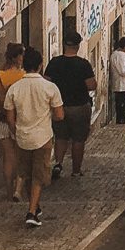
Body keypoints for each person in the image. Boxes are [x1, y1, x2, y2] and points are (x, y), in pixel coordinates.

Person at [4, 46, 64, 228]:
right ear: (40, 65)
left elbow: (9, 118)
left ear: (24, 66)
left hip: (22, 138)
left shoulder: (14, 88)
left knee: (27, 173)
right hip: (43, 137)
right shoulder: (49, 87)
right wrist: (47, 117)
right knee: (38, 175)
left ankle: (35, 206)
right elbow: (60, 115)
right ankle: (31, 212)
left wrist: (18, 131)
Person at [45, 31, 96, 179]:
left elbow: (46, 82)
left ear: (64, 44)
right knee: (78, 139)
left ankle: (58, 164)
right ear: (78, 46)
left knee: (61, 137)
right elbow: (92, 85)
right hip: (79, 106)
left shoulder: (54, 63)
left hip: (59, 106)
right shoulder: (83, 64)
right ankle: (75, 170)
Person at [0, 42, 25, 201]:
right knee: (20, 156)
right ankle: (18, 190)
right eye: (21, 55)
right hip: (18, 119)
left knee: (8, 157)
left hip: (1, 120)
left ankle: (9, 192)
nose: (23, 58)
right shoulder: (23, 76)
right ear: (17, 58)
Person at [110, 36, 125, 124]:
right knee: (123, 108)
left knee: (122, 107)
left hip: (122, 86)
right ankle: (122, 123)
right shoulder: (120, 55)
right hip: (121, 86)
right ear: (124, 47)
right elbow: (123, 71)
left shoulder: (117, 54)